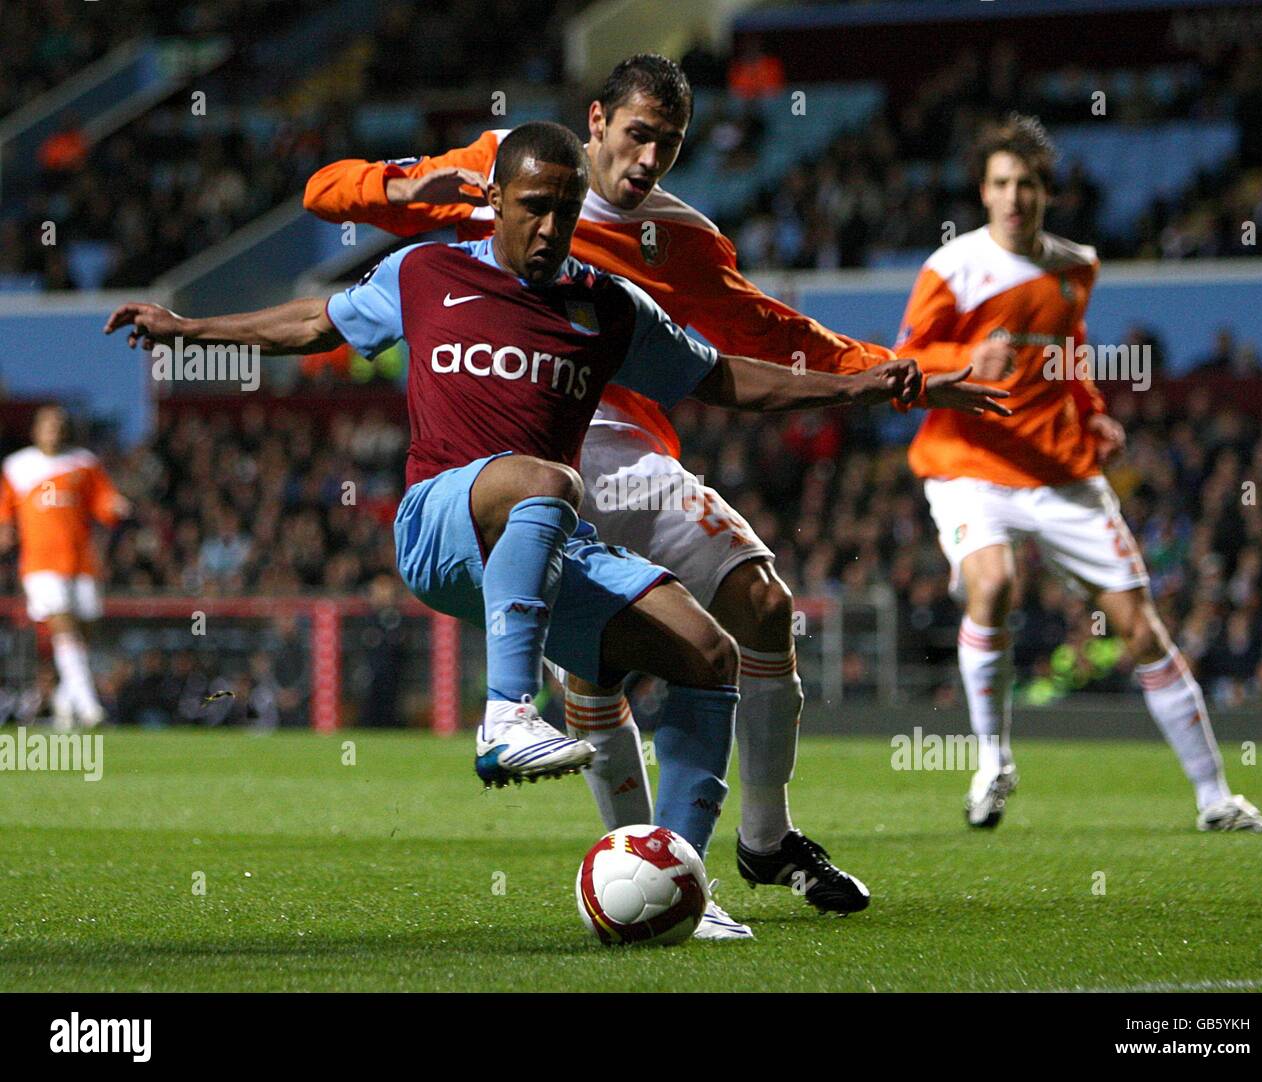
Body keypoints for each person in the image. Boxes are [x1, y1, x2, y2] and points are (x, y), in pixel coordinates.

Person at [109, 122, 1007, 937]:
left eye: (566, 212)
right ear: (493, 199)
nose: (550, 228)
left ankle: (682, 879)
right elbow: (314, 321)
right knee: (547, 478)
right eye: (535, 207)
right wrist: (188, 330)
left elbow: (726, 379)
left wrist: (869, 382)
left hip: (552, 541)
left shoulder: (608, 303)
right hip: (443, 524)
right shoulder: (428, 271)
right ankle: (504, 716)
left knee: (708, 654)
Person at [303, 54, 940, 916]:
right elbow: (324, 193)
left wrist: (895, 371)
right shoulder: (500, 167)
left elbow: (768, 331)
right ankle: (656, 877)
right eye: (639, 135)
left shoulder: (683, 237)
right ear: (598, 121)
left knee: (761, 605)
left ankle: (760, 839)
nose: (648, 162)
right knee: (595, 680)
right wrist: (410, 188)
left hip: (632, 459)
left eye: (669, 146)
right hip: (522, 457)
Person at [894, 114, 1262, 833]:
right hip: (970, 464)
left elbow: (1068, 353)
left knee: (1141, 631)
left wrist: (1093, 410)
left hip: (1062, 471)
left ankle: (1215, 797)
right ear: (983, 191)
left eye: (1028, 184)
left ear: (1046, 193)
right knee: (996, 582)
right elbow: (904, 359)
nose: (1015, 196)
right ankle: (993, 761)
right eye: (1002, 183)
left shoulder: (1075, 267)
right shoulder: (953, 268)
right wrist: (965, 363)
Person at [0, 406, 129, 729]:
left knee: (82, 631)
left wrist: (114, 507)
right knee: (63, 626)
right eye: (48, 425)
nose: (54, 430)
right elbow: (4, 506)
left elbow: (102, 500)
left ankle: (63, 698)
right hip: (40, 562)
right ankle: (89, 708)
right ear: (35, 430)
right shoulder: (17, 466)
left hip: (81, 561)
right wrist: (4, 528)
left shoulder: (84, 462)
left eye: (59, 424)